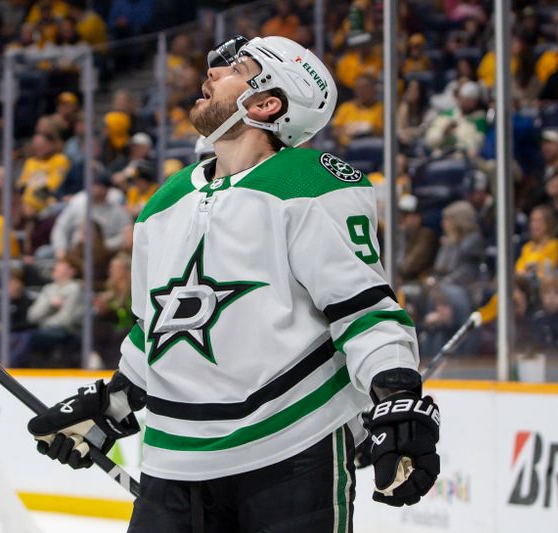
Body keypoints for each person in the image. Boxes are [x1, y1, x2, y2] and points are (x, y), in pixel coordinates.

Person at [27, 35, 440, 531]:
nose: (211, 74)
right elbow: (154, 327)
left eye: (237, 68)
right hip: (170, 463)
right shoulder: (165, 200)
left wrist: (396, 393)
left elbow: (364, 310)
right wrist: (112, 404)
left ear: (267, 103)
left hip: (291, 449)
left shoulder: (310, 182)